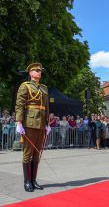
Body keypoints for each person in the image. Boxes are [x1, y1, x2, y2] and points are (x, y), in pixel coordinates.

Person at [15, 62, 50, 192]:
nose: (38, 72)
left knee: (37, 153)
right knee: (28, 153)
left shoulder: (44, 88)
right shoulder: (25, 86)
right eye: (35, 70)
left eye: (40, 70)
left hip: (41, 124)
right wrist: (19, 122)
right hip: (29, 123)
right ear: (30, 73)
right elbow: (19, 104)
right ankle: (27, 181)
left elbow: (47, 107)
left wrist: (47, 123)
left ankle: (33, 180)